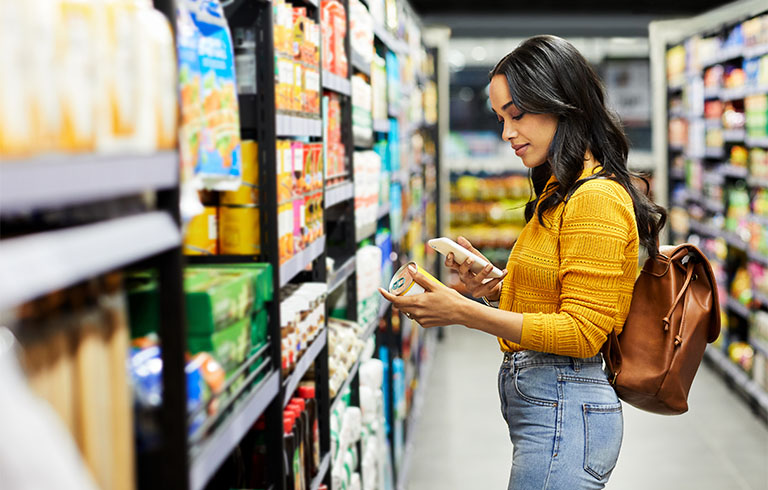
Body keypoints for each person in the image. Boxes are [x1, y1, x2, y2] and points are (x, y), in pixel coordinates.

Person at [379, 35, 667, 489]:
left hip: (567, 412)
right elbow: (557, 295)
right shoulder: (561, 189)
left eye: (517, 114)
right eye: (500, 118)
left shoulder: (594, 198)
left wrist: (465, 313)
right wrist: (495, 286)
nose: (507, 132)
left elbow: (582, 332)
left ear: (562, 104)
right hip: (553, 409)